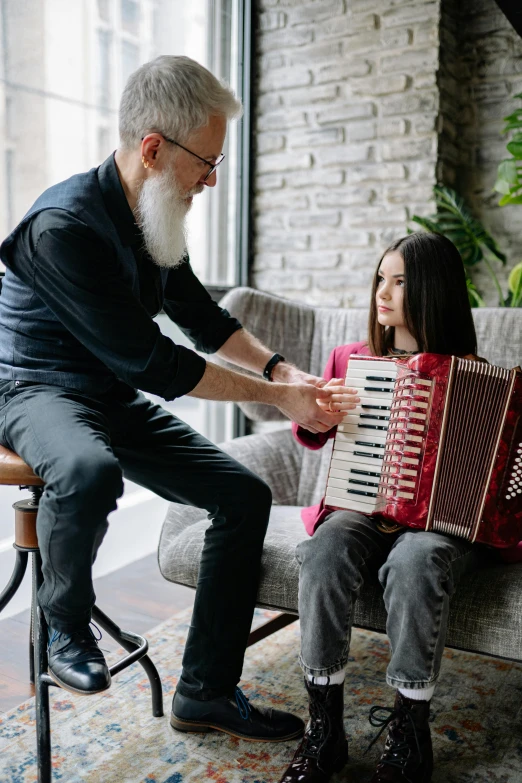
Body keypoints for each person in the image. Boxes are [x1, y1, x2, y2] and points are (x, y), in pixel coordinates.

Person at [0, 55, 349, 743]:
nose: (212, 179)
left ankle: (205, 691)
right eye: (206, 161)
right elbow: (159, 365)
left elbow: (205, 320)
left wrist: (289, 372)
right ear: (154, 148)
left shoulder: (151, 215)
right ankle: (63, 625)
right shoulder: (63, 228)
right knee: (89, 469)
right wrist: (281, 399)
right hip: (35, 388)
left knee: (243, 495)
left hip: (105, 393)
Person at [279, 232, 492, 783]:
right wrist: (317, 411)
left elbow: (490, 467)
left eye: (400, 281)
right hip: (361, 508)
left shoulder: (472, 373)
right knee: (324, 549)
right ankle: (324, 727)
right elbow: (312, 431)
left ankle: (410, 728)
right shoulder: (352, 360)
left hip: (436, 525)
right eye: (381, 277)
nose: (384, 291)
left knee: (415, 560)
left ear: (432, 291)